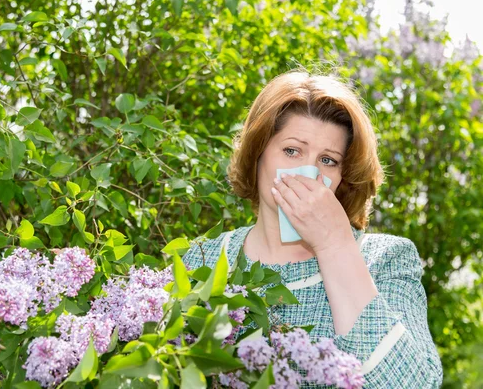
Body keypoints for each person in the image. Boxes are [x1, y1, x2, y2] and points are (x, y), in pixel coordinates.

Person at [182, 70, 443, 388]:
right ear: (258, 155)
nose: (309, 173)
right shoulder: (203, 258)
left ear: (343, 176)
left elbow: (415, 383)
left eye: (328, 160)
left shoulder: (384, 259)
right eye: (291, 151)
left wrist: (334, 245)